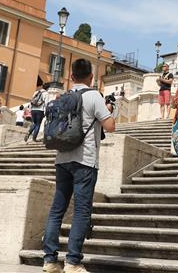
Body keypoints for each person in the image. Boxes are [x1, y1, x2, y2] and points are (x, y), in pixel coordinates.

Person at [42, 59, 115, 273]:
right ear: (91, 77)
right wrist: (109, 110)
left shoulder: (63, 96)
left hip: (62, 159)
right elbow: (111, 126)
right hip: (85, 160)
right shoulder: (94, 96)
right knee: (81, 211)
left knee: (57, 209)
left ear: (71, 76)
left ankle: (49, 260)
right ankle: (73, 262)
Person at [27, 78, 48, 142]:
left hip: (33, 109)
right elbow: (46, 103)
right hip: (40, 110)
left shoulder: (36, 92)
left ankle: (29, 132)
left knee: (34, 123)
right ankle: (34, 138)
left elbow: (31, 101)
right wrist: (45, 112)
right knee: (38, 124)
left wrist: (30, 109)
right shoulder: (46, 93)